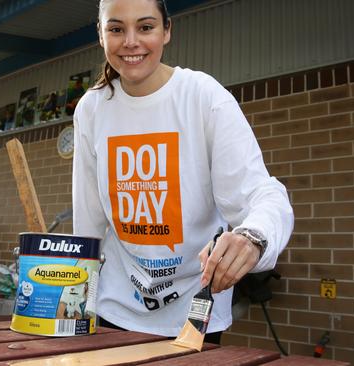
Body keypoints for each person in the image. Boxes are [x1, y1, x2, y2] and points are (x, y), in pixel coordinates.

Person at [71, 0, 293, 344]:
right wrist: (76, 302)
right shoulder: (91, 108)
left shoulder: (203, 97)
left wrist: (253, 237)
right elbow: (88, 222)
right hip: (113, 309)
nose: (131, 41)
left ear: (167, 31)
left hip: (196, 311)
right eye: (116, 29)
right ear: (101, 35)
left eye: (145, 27)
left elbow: (263, 194)